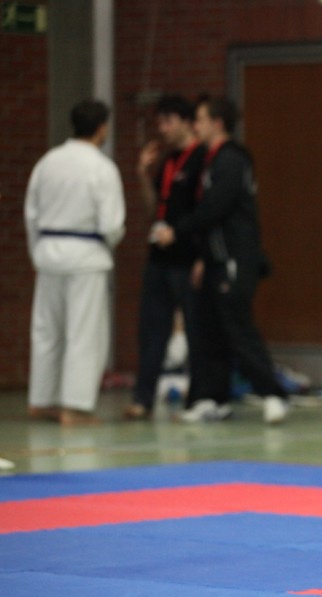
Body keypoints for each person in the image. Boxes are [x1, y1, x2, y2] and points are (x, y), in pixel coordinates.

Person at [152, 96, 288, 423]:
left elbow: (215, 208)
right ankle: (213, 398)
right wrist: (202, 258)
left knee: (237, 328)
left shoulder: (232, 160)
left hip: (234, 261)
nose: (195, 126)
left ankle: (273, 393)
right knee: (208, 330)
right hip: (214, 260)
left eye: (200, 120)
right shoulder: (210, 161)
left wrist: (177, 231)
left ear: (217, 123)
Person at [24, 99, 126, 426]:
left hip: (48, 253)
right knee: (84, 334)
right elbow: (111, 224)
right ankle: (75, 407)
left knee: (47, 331)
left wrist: (37, 251)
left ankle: (42, 400)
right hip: (85, 257)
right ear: (101, 128)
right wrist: (109, 242)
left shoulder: (47, 162)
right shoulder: (102, 167)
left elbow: (31, 214)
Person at [124, 94, 205, 420]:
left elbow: (206, 212)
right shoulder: (168, 161)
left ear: (186, 122)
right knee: (151, 330)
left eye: (168, 121)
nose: (162, 128)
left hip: (188, 258)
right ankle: (143, 398)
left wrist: (200, 255)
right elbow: (153, 208)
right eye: (159, 122)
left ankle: (198, 398)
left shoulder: (201, 158)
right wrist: (143, 175)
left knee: (196, 331)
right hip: (159, 257)